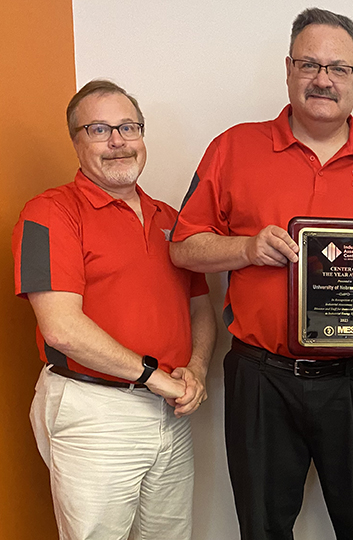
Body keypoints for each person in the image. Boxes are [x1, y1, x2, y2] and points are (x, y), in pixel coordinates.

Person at [169, 7, 353, 540]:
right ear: (288, 68)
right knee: (262, 528)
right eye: (309, 64)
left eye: (338, 67)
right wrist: (246, 247)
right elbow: (183, 249)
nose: (323, 79)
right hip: (263, 378)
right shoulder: (233, 148)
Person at [11, 79, 216, 540]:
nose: (118, 142)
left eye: (129, 127)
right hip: (94, 410)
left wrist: (197, 371)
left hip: (171, 410)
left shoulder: (169, 219)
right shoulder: (48, 213)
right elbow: (62, 327)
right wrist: (154, 375)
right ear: (76, 140)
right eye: (100, 129)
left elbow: (200, 309)